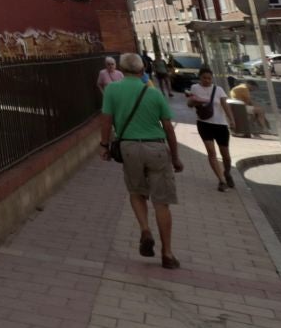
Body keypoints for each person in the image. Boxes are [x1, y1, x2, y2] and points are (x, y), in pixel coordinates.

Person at [99, 51, 184, 268]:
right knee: (161, 202)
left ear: (121, 68)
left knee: (136, 192)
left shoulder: (112, 90)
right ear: (142, 70)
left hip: (128, 147)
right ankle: (167, 253)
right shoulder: (153, 93)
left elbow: (106, 120)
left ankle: (145, 229)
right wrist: (175, 157)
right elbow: (168, 129)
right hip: (156, 146)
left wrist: (105, 146)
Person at [184, 67, 234, 189]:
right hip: (204, 124)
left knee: (225, 155)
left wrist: (232, 120)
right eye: (204, 78)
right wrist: (195, 101)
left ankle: (227, 173)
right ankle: (221, 180)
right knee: (211, 152)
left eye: (209, 78)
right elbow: (190, 104)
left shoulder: (219, 89)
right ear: (200, 77)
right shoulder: (195, 88)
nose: (207, 80)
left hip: (220, 125)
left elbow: (225, 105)